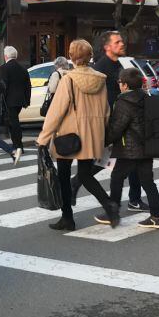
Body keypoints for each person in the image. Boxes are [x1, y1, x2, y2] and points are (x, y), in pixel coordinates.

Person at [37, 38, 120, 231]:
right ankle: (109, 205)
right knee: (85, 174)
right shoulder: (100, 79)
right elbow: (106, 110)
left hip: (68, 135)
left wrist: (43, 138)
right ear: (90, 56)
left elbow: (56, 112)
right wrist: (105, 134)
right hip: (92, 134)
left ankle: (68, 218)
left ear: (73, 57)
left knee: (64, 177)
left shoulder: (68, 80)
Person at [104, 67, 159, 229]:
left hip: (129, 149)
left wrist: (104, 141)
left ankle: (113, 212)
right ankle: (157, 216)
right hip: (147, 147)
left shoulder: (124, 102)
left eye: (119, 82)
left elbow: (117, 128)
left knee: (117, 178)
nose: (118, 85)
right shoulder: (147, 97)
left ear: (125, 85)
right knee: (148, 182)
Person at [93, 30, 145, 212]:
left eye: (121, 41)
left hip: (122, 119)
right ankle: (76, 183)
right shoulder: (100, 68)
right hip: (113, 122)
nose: (122, 44)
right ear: (107, 47)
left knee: (130, 160)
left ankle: (134, 199)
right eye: (117, 42)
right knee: (112, 162)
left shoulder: (117, 65)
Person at [0, 46, 31, 154]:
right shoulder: (23, 68)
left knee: (14, 123)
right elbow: (28, 85)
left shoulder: (4, 68)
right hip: (20, 100)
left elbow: (4, 86)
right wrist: (27, 100)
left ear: (5, 56)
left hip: (9, 100)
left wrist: (1, 100)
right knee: (14, 121)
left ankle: (18, 146)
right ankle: (17, 145)